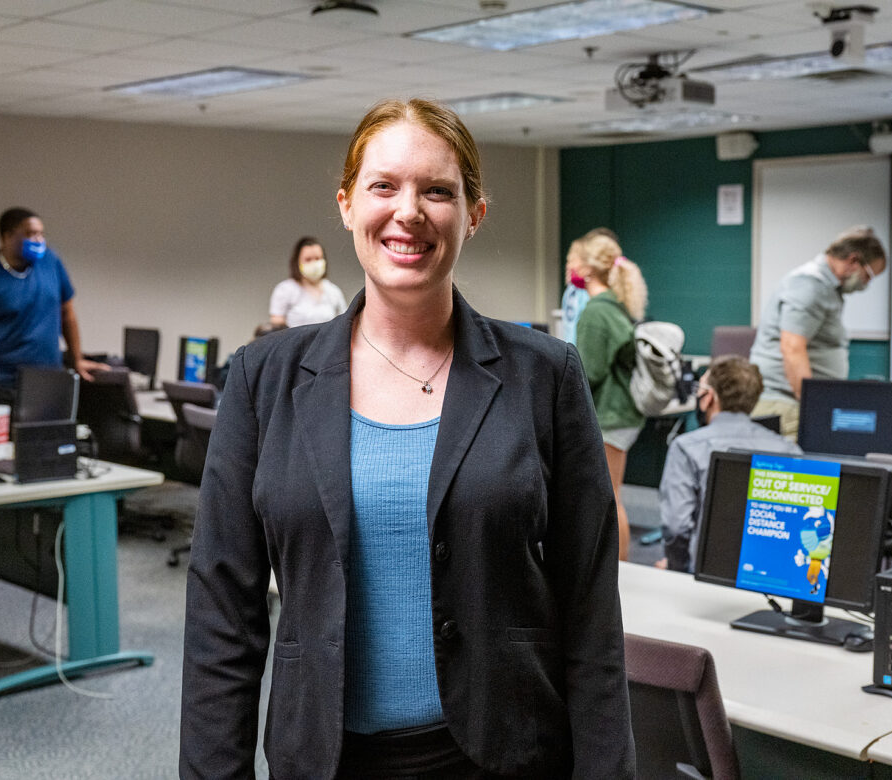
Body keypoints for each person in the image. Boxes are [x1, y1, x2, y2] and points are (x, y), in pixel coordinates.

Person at [180, 98, 634, 779]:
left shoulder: (545, 376)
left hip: (504, 753)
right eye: (384, 186)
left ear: (474, 214)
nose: (409, 211)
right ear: (346, 205)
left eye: (438, 191)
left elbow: (591, 607)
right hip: (326, 757)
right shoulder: (262, 379)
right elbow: (222, 610)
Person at [658, 356, 802, 572]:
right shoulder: (790, 450)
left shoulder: (686, 447)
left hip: (706, 574)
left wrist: (676, 568)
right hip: (772, 574)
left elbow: (676, 527)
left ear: (710, 397)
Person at [0, 207, 106, 404]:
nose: (39, 240)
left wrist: (76, 359)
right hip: (4, 385)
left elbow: (67, 313)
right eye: (31, 234)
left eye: (41, 233)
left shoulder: (51, 262)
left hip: (49, 380)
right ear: (7, 237)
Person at [749, 226, 887, 438]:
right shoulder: (811, 286)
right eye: (868, 276)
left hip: (793, 404)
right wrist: (813, 408)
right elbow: (792, 348)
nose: (866, 284)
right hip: (786, 405)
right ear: (853, 261)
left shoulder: (826, 287)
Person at [574, 233, 648, 562]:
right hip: (623, 415)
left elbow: (588, 372)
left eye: (572, 262)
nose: (569, 269)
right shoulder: (616, 307)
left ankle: (620, 571)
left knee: (609, 497)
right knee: (613, 494)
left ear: (588, 269)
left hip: (610, 416)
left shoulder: (595, 312)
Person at [269, 236, 348, 328]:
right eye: (308, 259)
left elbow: (344, 324)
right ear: (297, 262)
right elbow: (277, 326)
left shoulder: (333, 291)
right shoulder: (285, 290)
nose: (314, 263)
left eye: (318, 258)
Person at [559, 227, 617, 345]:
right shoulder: (571, 291)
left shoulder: (599, 304)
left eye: (574, 261)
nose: (570, 267)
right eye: (569, 261)